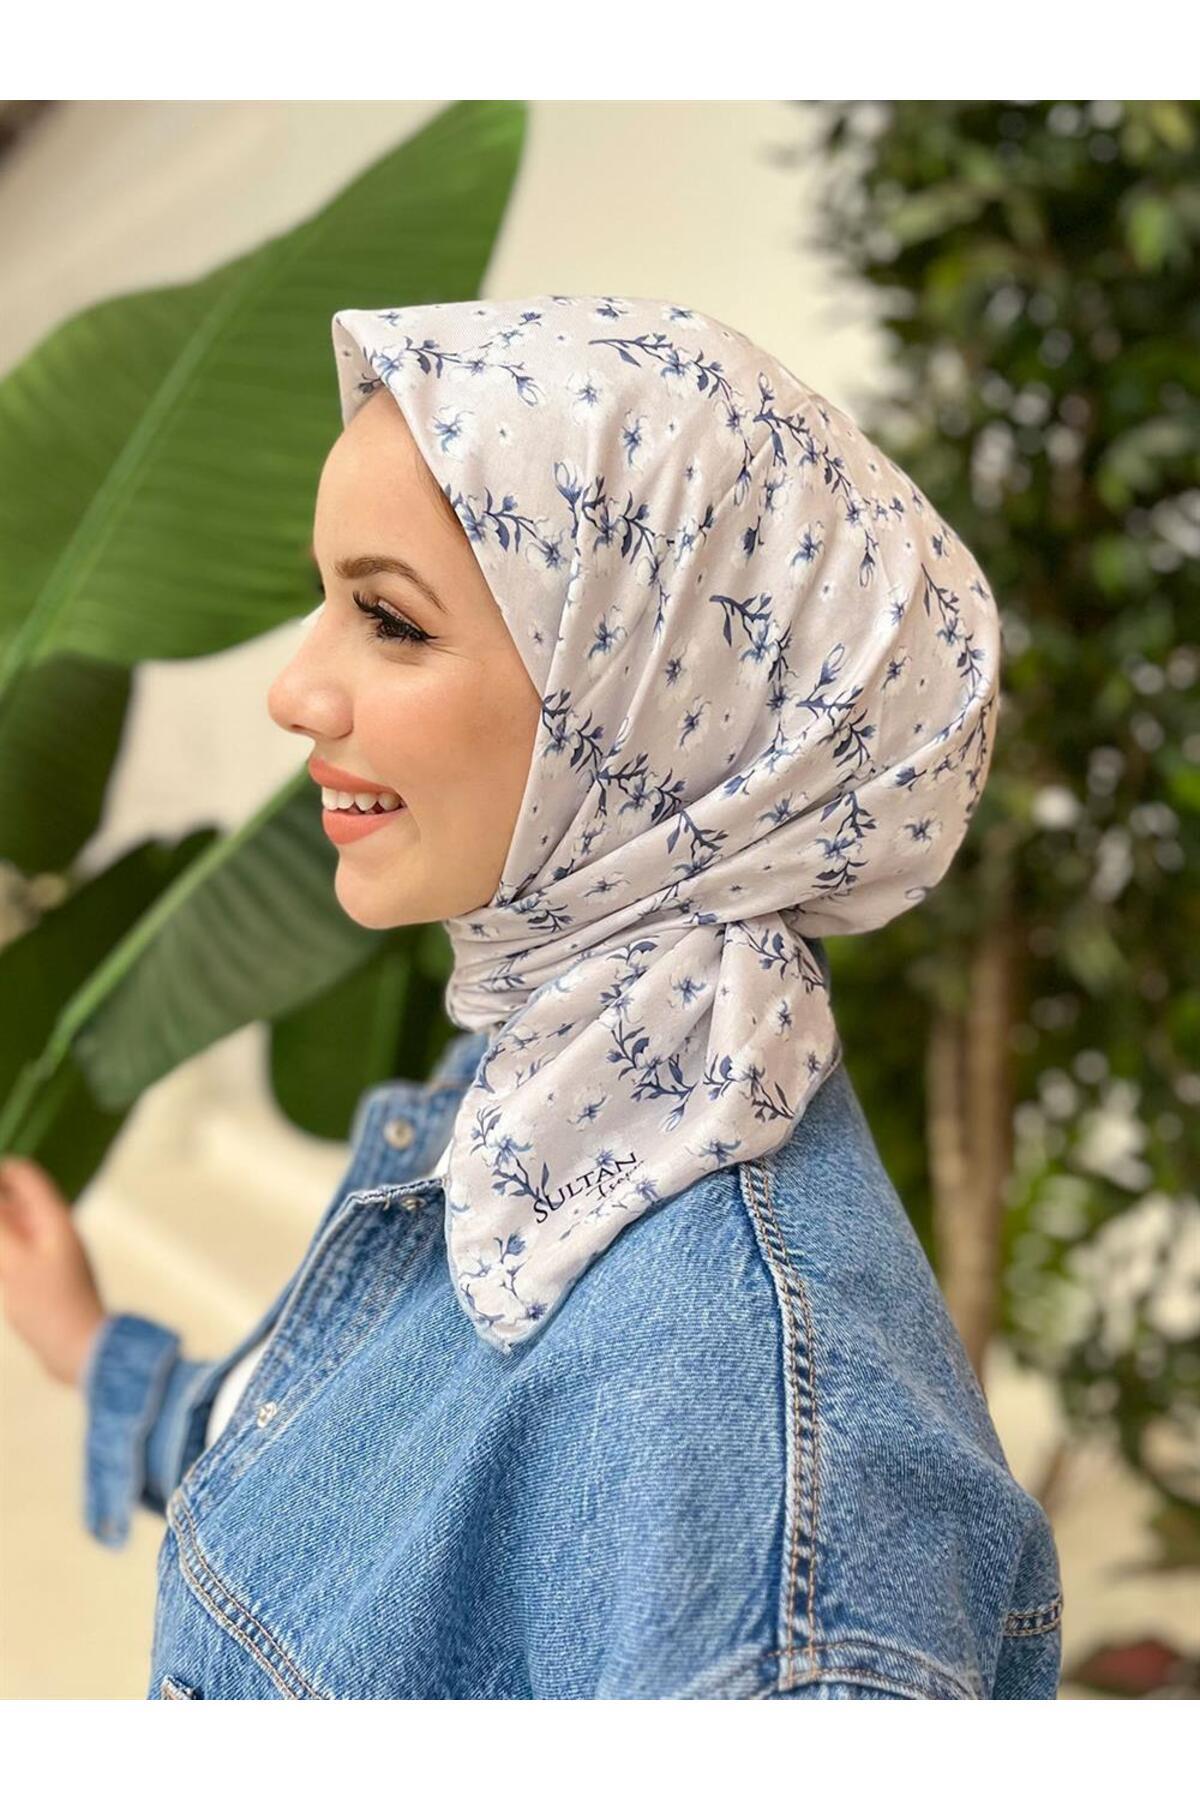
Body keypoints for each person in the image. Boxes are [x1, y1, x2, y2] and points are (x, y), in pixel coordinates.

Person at [0, 293, 1063, 1700]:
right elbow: (353, 1493)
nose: (297, 689)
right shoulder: (565, 1079)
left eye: (388, 618)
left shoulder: (765, 1485)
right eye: (327, 601)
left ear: (648, 687)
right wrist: (93, 1351)